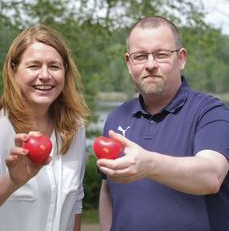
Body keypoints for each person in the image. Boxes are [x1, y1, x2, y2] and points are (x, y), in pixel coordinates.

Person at [97, 16, 229, 231]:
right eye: (140, 56)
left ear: (181, 58)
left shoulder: (210, 112)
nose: (150, 65)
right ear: (129, 63)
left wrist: (148, 164)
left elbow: (211, 176)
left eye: (161, 55)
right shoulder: (117, 118)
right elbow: (107, 190)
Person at [0, 24, 90, 231]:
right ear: (14, 71)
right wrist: (11, 182)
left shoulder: (74, 128)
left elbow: (75, 200)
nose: (45, 75)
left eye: (54, 66)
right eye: (34, 66)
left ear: (65, 72)